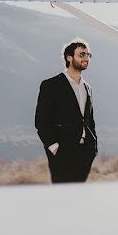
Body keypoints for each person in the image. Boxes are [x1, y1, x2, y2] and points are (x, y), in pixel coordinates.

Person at [35, 38, 98, 183]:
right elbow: (41, 121)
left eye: (88, 55)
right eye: (81, 54)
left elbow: (89, 120)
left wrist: (93, 147)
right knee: (62, 198)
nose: (86, 58)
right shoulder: (51, 85)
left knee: (80, 197)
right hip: (62, 151)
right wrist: (54, 147)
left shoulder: (87, 88)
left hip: (85, 152)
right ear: (69, 57)